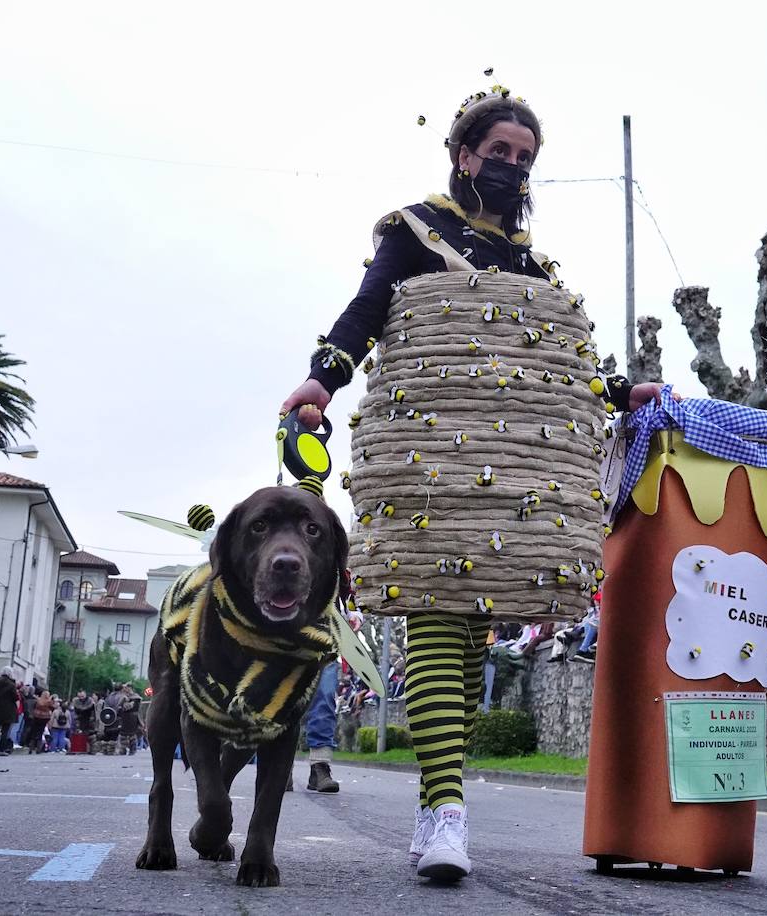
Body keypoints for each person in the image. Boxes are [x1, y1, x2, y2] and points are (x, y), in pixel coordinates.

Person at [279, 83, 663, 883]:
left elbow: (565, 357)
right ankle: (448, 808)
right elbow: (365, 311)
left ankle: (436, 802)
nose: (511, 168)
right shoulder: (417, 232)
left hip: (510, 474)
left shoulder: (532, 265)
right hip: (427, 457)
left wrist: (621, 391)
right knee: (432, 621)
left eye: (524, 159)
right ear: (463, 155)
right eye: (499, 153)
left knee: (466, 640)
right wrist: (321, 382)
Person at [300, 661, 341, 792]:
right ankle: (280, 767)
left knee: (325, 694)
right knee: (283, 699)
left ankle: (319, 764)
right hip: (282, 643)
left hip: (326, 645)